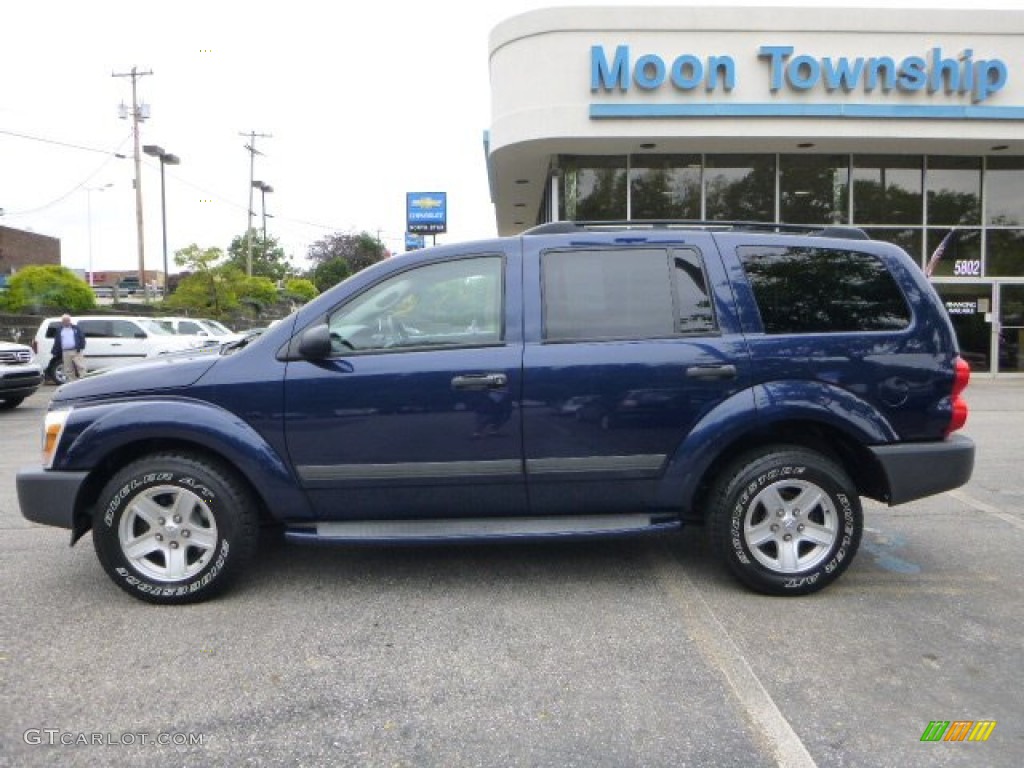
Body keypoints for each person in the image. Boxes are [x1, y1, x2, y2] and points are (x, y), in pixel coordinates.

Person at [51, 314, 87, 382]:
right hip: (65, 351)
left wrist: (81, 347)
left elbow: (82, 337)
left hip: (76, 350)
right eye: (64, 321)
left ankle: (84, 380)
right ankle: (72, 382)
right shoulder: (59, 330)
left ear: (70, 321)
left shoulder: (76, 328)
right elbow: (57, 341)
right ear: (62, 322)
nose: (66, 322)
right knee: (68, 368)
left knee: (81, 366)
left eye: (67, 320)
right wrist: (54, 351)